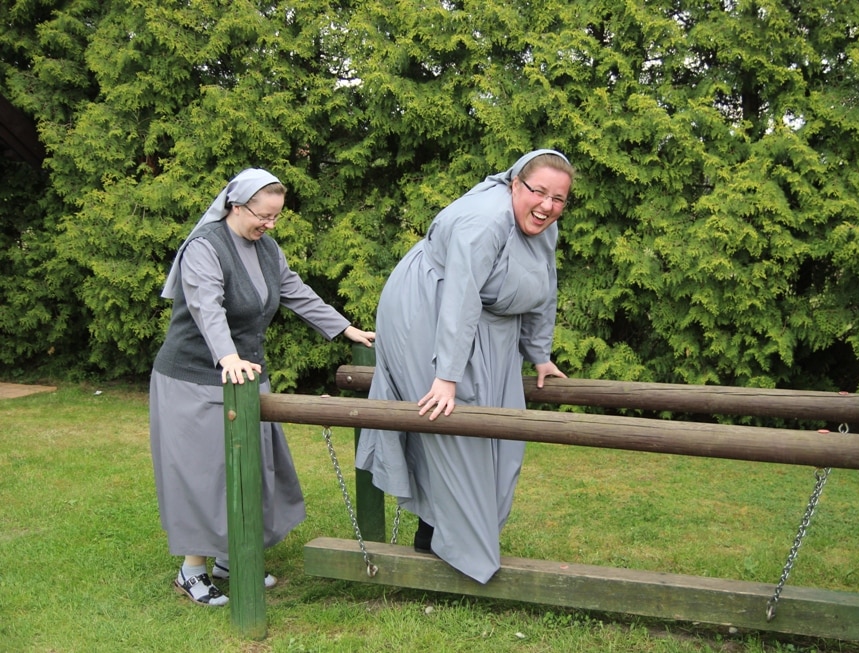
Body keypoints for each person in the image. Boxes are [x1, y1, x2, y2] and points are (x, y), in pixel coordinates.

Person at [150, 168, 375, 606]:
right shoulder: (204, 247)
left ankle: (232, 556)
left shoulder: (267, 248)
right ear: (237, 207)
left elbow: (295, 291)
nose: (270, 225)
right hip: (194, 380)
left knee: (251, 466)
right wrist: (227, 356)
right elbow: (206, 305)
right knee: (206, 474)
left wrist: (344, 328)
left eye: (276, 217)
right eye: (263, 216)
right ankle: (191, 570)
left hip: (245, 376)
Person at [354, 149, 573, 583]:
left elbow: (543, 288)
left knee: (500, 430)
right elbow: (461, 297)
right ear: (515, 184)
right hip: (428, 310)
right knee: (450, 426)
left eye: (559, 199)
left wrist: (540, 355)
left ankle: (455, 535)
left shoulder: (544, 226)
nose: (547, 206)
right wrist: (447, 376)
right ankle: (442, 539)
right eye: (538, 192)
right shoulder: (485, 222)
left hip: (490, 326)